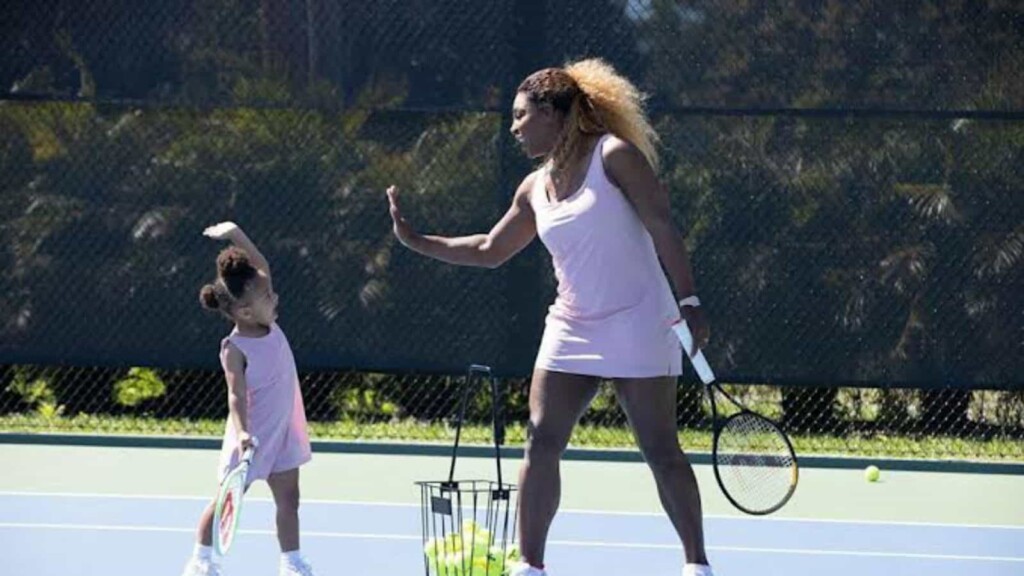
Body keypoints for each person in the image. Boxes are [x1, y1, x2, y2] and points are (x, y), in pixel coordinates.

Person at [386, 58, 714, 576]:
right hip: (571, 324)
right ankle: (530, 565)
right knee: (540, 437)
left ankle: (697, 564)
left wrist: (690, 301)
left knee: (660, 449)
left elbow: (663, 226)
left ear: (557, 114)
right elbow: (491, 249)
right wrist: (417, 240)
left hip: (639, 319)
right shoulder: (534, 187)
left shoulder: (616, 157)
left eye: (521, 115)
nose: (514, 126)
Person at [181, 222, 315, 576]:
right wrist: (242, 434)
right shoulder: (234, 350)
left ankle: (292, 563)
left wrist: (236, 234)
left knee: (290, 500)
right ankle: (201, 560)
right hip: (251, 436)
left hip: (283, 429)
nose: (275, 299)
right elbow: (235, 397)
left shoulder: (268, 323)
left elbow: (261, 265)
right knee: (226, 502)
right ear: (243, 312)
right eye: (266, 298)